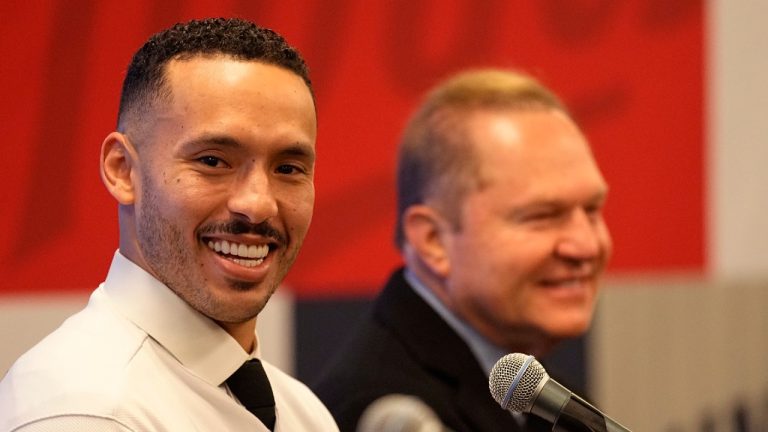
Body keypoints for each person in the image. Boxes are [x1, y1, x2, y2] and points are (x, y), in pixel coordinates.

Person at [0, 18, 338, 432]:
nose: (257, 205)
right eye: (212, 161)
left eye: (288, 168)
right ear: (122, 170)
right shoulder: (86, 412)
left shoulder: (304, 412)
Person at [313, 69, 612, 431]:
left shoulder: (554, 403)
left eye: (593, 210)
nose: (586, 245)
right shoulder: (379, 414)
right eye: (542, 216)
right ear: (433, 241)